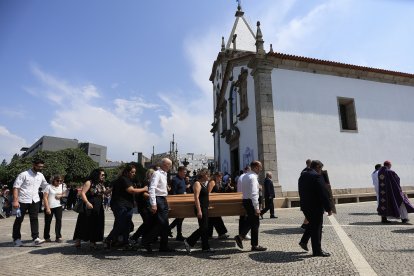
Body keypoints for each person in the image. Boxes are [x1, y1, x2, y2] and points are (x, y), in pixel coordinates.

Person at [104, 164, 148, 249]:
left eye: (134, 172)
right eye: (132, 172)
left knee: (126, 224)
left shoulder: (126, 180)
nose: (134, 174)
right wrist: (144, 189)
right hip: (120, 205)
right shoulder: (124, 179)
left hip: (127, 205)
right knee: (121, 223)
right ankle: (109, 239)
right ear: (127, 172)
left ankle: (125, 242)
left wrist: (134, 201)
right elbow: (131, 190)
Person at [298, 160, 332, 257]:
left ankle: (304, 241)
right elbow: (323, 194)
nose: (321, 171)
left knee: (313, 224)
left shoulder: (303, 175)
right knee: (317, 227)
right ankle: (317, 251)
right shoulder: (317, 176)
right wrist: (328, 208)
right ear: (317, 166)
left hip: (305, 206)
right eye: (320, 168)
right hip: (315, 206)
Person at [12, 158, 48, 247]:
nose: (40, 168)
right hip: (22, 200)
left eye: (42, 167)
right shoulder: (24, 174)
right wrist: (15, 201)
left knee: (34, 218)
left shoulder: (41, 175)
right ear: (34, 165)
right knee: (19, 219)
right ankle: (16, 239)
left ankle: (36, 238)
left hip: (35, 200)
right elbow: (16, 187)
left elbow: (45, 186)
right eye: (39, 166)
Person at [141, 158, 175, 253]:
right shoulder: (157, 173)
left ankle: (163, 246)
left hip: (162, 199)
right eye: (169, 165)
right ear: (164, 164)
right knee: (162, 223)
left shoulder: (164, 174)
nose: (170, 167)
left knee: (164, 224)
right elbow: (152, 189)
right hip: (158, 199)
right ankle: (146, 240)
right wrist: (154, 204)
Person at [234, 161, 267, 251]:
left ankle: (248, 241)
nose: (261, 169)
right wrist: (256, 207)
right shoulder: (252, 177)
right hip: (251, 202)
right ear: (256, 167)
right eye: (260, 167)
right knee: (255, 223)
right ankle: (244, 239)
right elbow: (254, 194)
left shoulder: (245, 176)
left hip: (246, 201)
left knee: (252, 222)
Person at [73, 168, 106, 249]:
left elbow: (104, 192)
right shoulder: (89, 182)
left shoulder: (101, 184)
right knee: (84, 223)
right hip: (89, 204)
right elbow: (82, 193)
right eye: (102, 175)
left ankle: (92, 241)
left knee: (96, 223)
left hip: (98, 205)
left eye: (104, 175)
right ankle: (78, 240)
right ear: (96, 174)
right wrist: (87, 202)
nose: (103, 176)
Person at [184, 168, 214, 253]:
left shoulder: (203, 184)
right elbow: (196, 198)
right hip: (200, 208)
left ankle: (205, 247)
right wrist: (199, 210)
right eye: (208, 174)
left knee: (205, 228)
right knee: (203, 228)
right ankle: (189, 241)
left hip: (204, 207)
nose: (209, 176)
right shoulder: (197, 183)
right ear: (204, 175)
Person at [130, 169, 154, 243]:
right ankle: (135, 237)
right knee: (147, 222)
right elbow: (144, 194)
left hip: (146, 205)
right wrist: (153, 196)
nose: (154, 176)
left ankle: (145, 238)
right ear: (148, 174)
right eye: (152, 174)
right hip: (144, 205)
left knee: (148, 222)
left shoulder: (151, 183)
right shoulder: (146, 182)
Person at [43, 175, 66, 243]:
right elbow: (45, 197)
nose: (59, 182)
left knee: (59, 221)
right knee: (48, 222)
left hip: (58, 206)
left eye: (60, 181)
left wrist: (61, 195)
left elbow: (65, 194)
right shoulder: (48, 187)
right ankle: (46, 237)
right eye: (57, 181)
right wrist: (47, 208)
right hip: (49, 206)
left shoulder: (62, 186)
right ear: (53, 180)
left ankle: (58, 237)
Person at [207, 171, 229, 239]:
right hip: (211, 202)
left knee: (212, 219)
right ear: (216, 176)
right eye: (220, 177)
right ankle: (221, 233)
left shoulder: (217, 183)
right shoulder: (212, 182)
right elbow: (208, 193)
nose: (221, 178)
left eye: (221, 177)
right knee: (216, 218)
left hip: (215, 203)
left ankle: (209, 234)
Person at [169, 166, 187, 241]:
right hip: (178, 202)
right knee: (179, 218)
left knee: (181, 218)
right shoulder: (175, 180)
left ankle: (178, 234)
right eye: (184, 172)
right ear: (179, 172)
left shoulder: (182, 179)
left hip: (183, 201)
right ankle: (169, 229)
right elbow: (173, 192)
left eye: (185, 173)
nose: (185, 174)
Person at [300, 159, 312, 229]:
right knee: (309, 211)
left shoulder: (304, 171)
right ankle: (305, 224)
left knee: (309, 211)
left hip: (306, 194)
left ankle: (305, 224)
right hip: (308, 194)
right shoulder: (306, 171)